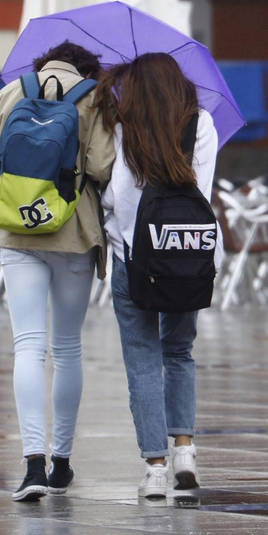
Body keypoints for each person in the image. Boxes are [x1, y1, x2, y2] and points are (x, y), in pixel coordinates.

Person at [0, 42, 115, 503]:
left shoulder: (9, 95)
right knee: (66, 348)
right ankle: (61, 462)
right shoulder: (95, 99)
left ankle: (31, 465)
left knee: (26, 345)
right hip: (72, 233)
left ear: (43, 62)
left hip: (15, 233)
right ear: (88, 68)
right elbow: (104, 166)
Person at [95, 53, 221, 499]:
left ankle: (155, 469)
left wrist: (116, 227)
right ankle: (185, 450)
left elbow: (118, 198)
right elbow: (201, 193)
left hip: (134, 259)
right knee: (180, 352)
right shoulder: (201, 124)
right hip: (187, 257)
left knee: (143, 362)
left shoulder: (122, 128)